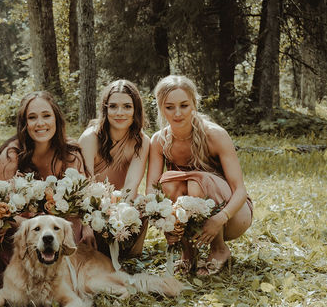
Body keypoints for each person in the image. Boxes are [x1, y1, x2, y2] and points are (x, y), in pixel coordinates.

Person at [146, 75, 252, 276]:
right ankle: (188, 253)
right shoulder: (159, 140)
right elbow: (152, 188)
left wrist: (220, 218)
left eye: (184, 105)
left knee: (196, 181)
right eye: (169, 107)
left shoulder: (215, 135)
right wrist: (165, 218)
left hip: (232, 216)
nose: (177, 113)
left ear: (194, 103)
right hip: (193, 218)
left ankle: (219, 249)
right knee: (168, 183)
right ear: (161, 108)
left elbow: (240, 191)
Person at [0, 90, 91, 255]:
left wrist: (88, 227)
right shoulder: (11, 155)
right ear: (24, 123)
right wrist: (31, 224)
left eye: (46, 116)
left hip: (60, 227)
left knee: (75, 223)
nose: (40, 123)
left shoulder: (69, 153)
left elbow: (83, 199)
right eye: (32, 117)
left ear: (56, 119)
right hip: (23, 226)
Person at [79, 79, 151, 257]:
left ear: (136, 110)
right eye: (113, 106)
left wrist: (117, 216)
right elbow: (82, 187)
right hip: (90, 207)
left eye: (127, 106)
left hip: (120, 205)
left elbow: (132, 184)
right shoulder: (90, 138)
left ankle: (127, 253)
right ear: (105, 109)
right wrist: (88, 223)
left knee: (142, 203)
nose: (120, 113)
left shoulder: (142, 141)